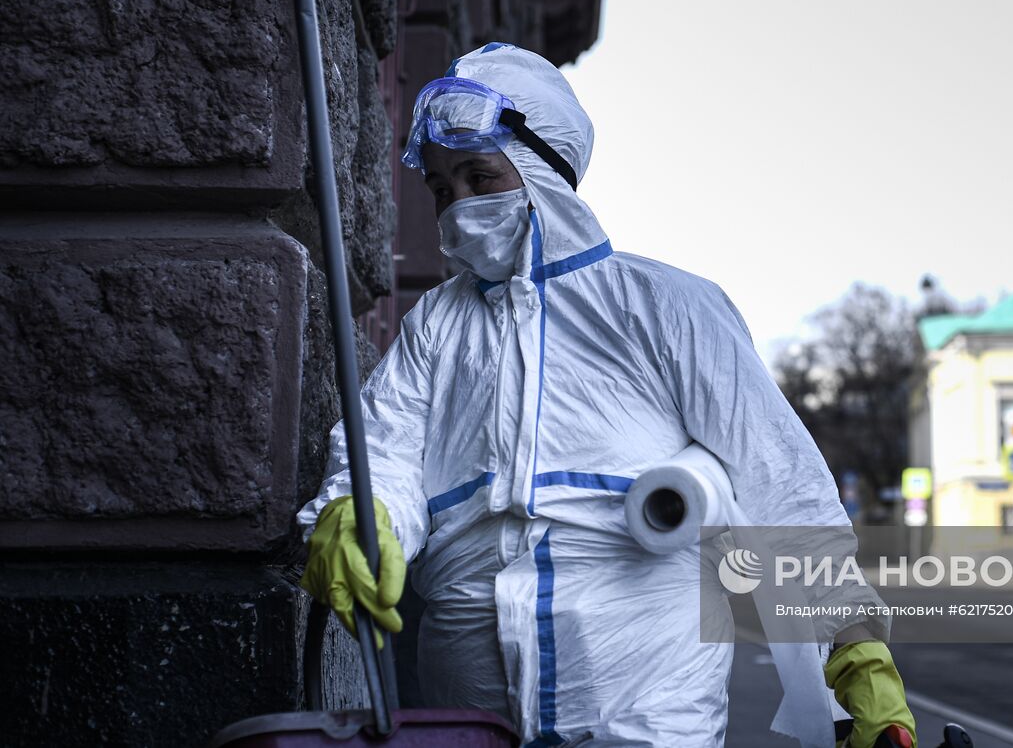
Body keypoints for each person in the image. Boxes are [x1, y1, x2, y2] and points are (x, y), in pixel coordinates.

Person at [298, 43, 917, 747]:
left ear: (542, 173)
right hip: (468, 705)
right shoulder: (437, 327)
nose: (461, 206)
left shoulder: (665, 307)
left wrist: (855, 646)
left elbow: (780, 482)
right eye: (443, 189)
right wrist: (361, 511)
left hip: (644, 698)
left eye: (480, 176)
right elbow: (384, 449)